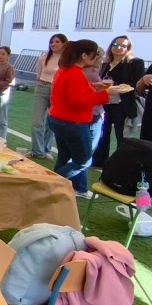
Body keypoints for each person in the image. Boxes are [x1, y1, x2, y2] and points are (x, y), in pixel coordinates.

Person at [47, 40, 129, 198]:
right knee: (83, 161)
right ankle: (50, 183)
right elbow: (78, 101)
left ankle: (59, 187)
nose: (96, 57)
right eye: (94, 54)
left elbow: (73, 93)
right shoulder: (75, 72)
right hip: (71, 121)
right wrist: (106, 94)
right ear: (84, 55)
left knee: (65, 156)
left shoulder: (66, 69)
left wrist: (94, 87)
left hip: (59, 118)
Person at [92, 36, 145, 168]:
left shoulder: (135, 62)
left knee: (121, 134)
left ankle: (120, 164)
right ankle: (100, 160)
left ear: (128, 48)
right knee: (103, 132)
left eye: (123, 46)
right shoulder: (105, 63)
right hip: (105, 102)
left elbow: (136, 83)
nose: (118, 48)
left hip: (121, 103)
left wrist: (116, 85)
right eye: (115, 44)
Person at [27, 33, 67, 159]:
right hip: (42, 88)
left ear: (64, 44)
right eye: (52, 42)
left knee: (51, 121)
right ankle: (37, 151)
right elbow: (38, 74)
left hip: (57, 90)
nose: (53, 44)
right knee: (36, 121)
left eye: (57, 41)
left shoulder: (67, 60)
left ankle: (46, 149)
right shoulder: (43, 58)